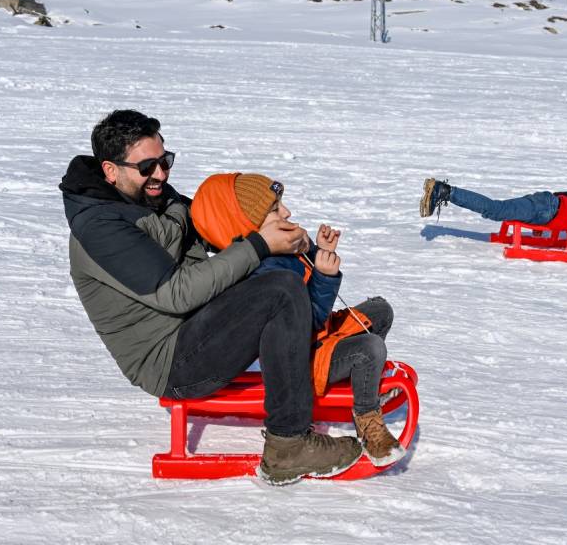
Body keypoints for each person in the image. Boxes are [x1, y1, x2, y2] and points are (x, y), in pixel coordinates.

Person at [59, 109, 362, 486]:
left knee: (276, 273)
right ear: (110, 170)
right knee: (279, 292)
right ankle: (288, 444)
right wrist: (258, 243)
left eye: (165, 161)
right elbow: (176, 293)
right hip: (169, 361)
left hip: (198, 328)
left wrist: (275, 230)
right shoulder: (100, 229)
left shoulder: (153, 197)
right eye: (148, 166)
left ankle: (311, 351)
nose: (161, 174)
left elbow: (214, 227)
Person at [190, 172, 406, 467]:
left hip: (320, 341)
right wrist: (325, 277)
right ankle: (367, 419)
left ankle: (360, 383)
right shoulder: (261, 273)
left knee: (380, 311)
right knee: (371, 349)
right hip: (300, 361)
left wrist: (318, 252)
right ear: (249, 225)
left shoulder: (281, 250)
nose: (287, 212)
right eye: (275, 209)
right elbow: (307, 323)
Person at [419, 178, 567, 244]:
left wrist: (542, 225)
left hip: (546, 201)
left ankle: (446, 192)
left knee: (498, 209)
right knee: (496, 210)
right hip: (546, 211)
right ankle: (445, 191)